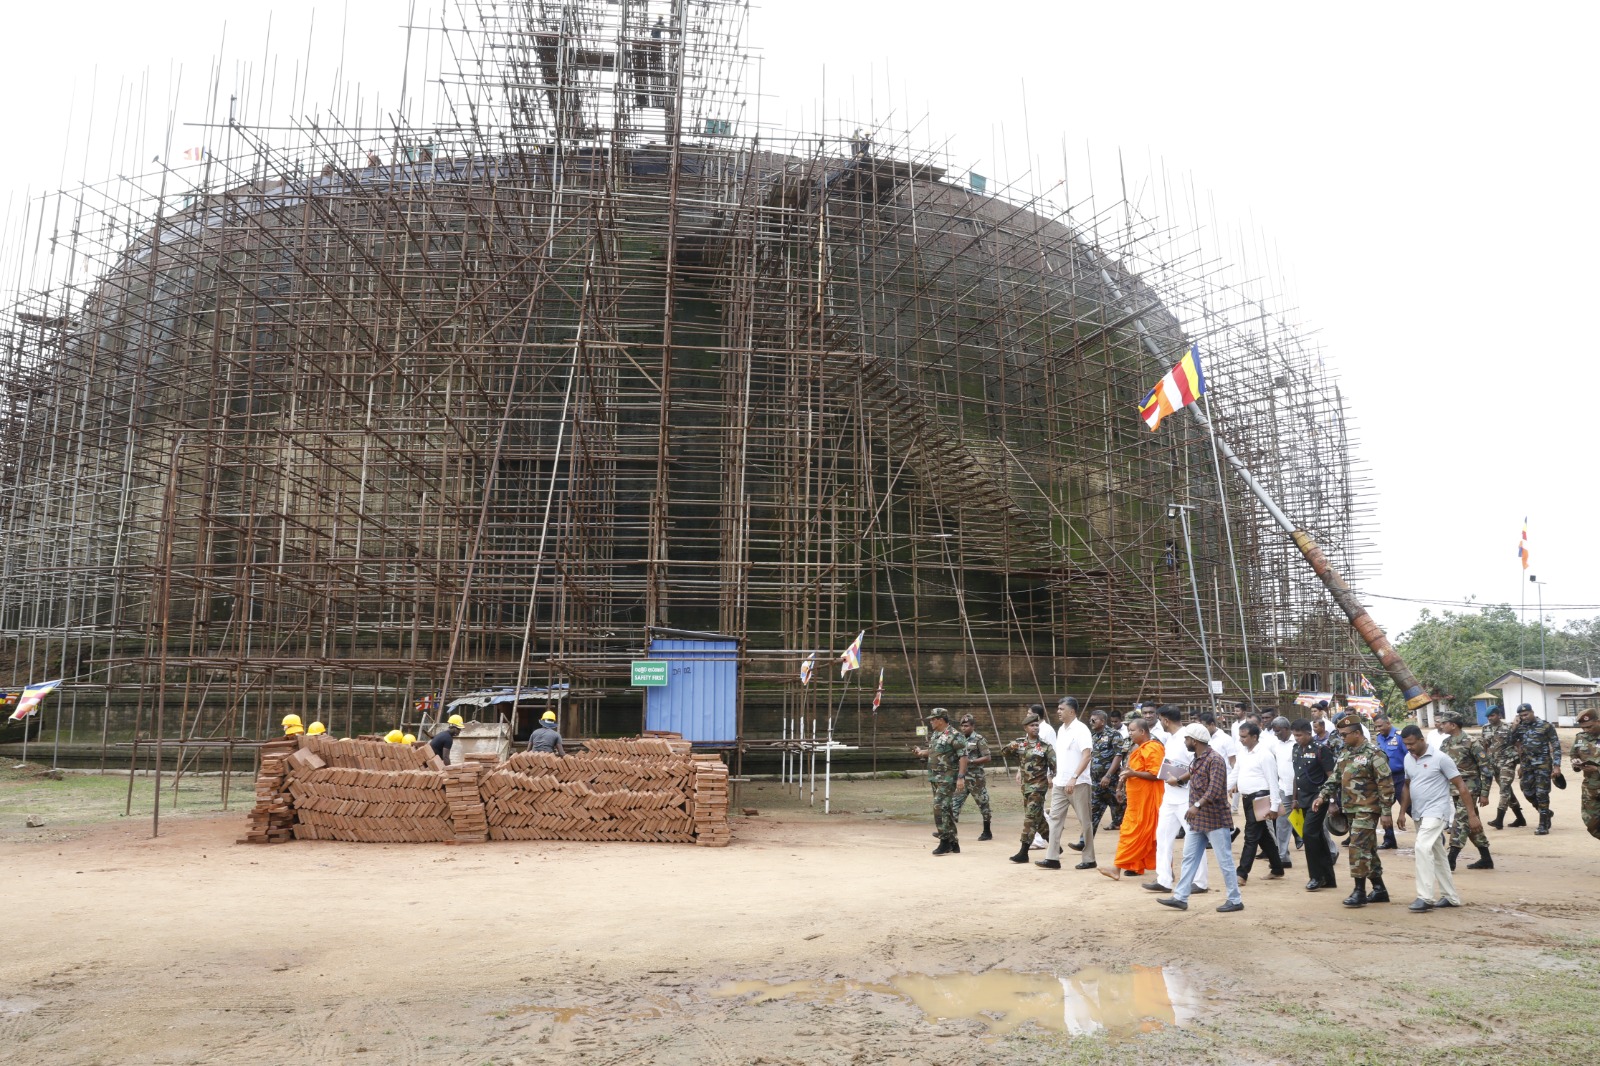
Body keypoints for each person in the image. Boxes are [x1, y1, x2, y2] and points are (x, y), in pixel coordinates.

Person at [1156, 725, 1244, 913]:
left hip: (1215, 819)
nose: (1185, 742)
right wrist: (1179, 780)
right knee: (1189, 858)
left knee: (1225, 860)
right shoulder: (1197, 759)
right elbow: (1193, 772)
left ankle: (1235, 899)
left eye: (1187, 739)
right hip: (1198, 820)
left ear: (1194, 741)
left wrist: (1196, 806)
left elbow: (1215, 789)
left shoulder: (1215, 760)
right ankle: (1180, 897)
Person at [1397, 724, 1483, 911]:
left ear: (1421, 740)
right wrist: (1402, 811)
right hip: (1419, 812)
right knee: (1437, 854)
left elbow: (1461, 786)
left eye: (1411, 743)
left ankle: (1425, 897)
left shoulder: (1441, 758)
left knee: (1421, 847)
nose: (1409, 747)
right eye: (1406, 744)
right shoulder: (1407, 759)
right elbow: (1406, 785)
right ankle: (1450, 896)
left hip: (1437, 812)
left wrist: (1472, 814)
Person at [1314, 716, 1395, 907]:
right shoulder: (1345, 753)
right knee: (1368, 848)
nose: (1341, 738)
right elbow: (1335, 777)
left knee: (1357, 847)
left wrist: (1386, 812)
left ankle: (1359, 891)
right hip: (1351, 809)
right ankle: (1379, 889)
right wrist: (1323, 795)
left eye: (1344, 734)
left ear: (1357, 733)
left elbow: (1386, 784)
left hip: (1368, 808)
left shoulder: (1374, 754)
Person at [1143, 705, 1209, 895]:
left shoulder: (1187, 738)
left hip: (1186, 798)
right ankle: (1164, 879)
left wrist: (1180, 779)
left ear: (1165, 720)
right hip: (1169, 797)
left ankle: (1200, 881)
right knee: (1163, 837)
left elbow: (1198, 764)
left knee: (1194, 838)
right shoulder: (1170, 738)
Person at [1036, 696, 1096, 871]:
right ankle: (1052, 857)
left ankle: (1089, 858)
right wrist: (1052, 776)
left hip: (1079, 783)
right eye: (1058, 708)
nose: (1058, 712)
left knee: (1085, 821)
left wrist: (1075, 777)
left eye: (1062, 709)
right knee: (1054, 819)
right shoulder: (1061, 730)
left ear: (1072, 711)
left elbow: (1087, 755)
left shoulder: (1081, 730)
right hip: (1060, 783)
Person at [1103, 716, 1163, 881]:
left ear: (1142, 731)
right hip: (1136, 801)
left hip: (1148, 801)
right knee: (1131, 833)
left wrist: (1133, 773)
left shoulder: (1153, 748)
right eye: (1128, 730)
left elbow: (1156, 774)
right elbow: (1128, 770)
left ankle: (1117, 868)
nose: (1129, 734)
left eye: (1132, 730)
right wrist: (1120, 786)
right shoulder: (1137, 748)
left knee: (1143, 835)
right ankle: (1135, 866)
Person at [1437, 711, 1493, 870]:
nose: (1441, 725)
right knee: (1471, 821)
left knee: (1461, 820)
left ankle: (1451, 859)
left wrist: (1484, 793)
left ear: (1453, 725)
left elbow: (1486, 769)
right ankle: (1486, 858)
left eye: (1444, 723)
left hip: (1469, 787)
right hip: (1452, 788)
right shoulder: (1445, 743)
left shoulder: (1472, 743)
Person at [1000, 709, 1056, 863]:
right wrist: (1011, 746)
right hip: (1026, 787)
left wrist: (1052, 778)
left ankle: (1023, 852)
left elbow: (1055, 765)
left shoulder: (1045, 746)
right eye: (1032, 725)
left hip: (1038, 788)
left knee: (1030, 818)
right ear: (1025, 728)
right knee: (1038, 818)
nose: (1035, 728)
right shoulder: (1020, 743)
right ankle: (1055, 844)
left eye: (1037, 725)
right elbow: (1004, 753)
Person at [1289, 718, 1339, 891]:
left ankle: (1315, 877)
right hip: (1302, 799)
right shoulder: (1295, 749)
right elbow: (1296, 776)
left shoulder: (1321, 750)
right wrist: (1294, 799)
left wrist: (1332, 801)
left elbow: (1331, 776)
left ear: (1309, 734)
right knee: (1316, 836)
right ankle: (1328, 878)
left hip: (1319, 798)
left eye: (1299, 735)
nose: (1296, 738)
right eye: (1294, 735)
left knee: (1309, 834)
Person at [1233, 722, 1286, 883]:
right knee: (1263, 836)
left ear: (1254, 737)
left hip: (1260, 799)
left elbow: (1273, 782)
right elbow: (1236, 772)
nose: (1241, 740)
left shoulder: (1265, 755)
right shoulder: (1242, 752)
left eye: (1244, 737)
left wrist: (1275, 805)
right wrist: (1222, 789)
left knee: (1251, 836)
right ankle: (1277, 868)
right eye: (1240, 737)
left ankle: (1242, 873)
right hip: (1247, 798)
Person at [914, 709, 969, 855]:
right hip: (935, 777)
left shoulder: (955, 735)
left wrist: (961, 777)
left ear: (941, 720)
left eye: (933, 719)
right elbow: (935, 752)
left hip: (948, 777)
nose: (930, 721)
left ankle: (944, 841)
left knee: (939, 808)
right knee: (946, 809)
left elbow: (963, 757)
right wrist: (922, 752)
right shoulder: (936, 735)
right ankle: (953, 842)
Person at [1509, 703, 1565, 835]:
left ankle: (1543, 825)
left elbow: (1556, 746)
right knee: (1527, 791)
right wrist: (1514, 726)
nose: (1524, 717)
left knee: (1542, 793)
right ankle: (1545, 812)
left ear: (1532, 712)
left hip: (1543, 764)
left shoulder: (1546, 725)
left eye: (1526, 714)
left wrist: (1556, 766)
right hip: (1527, 765)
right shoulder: (1520, 727)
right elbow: (1509, 742)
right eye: (1521, 716)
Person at [1075, 710, 1122, 851]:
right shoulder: (1091, 736)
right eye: (1090, 720)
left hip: (1112, 783)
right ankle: (1084, 841)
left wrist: (1108, 775)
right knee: (1092, 812)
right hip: (1096, 783)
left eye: (1094, 720)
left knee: (1122, 814)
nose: (1091, 722)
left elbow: (1118, 756)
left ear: (1102, 721)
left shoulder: (1114, 735)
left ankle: (1135, 845)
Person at [1481, 706, 1527, 829]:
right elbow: (1485, 746)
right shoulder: (1485, 728)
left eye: (1492, 715)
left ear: (1499, 715)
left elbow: (1519, 746)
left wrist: (1522, 764)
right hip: (1494, 764)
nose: (1490, 718)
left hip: (1508, 762)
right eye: (1488, 716)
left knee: (1504, 789)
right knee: (1508, 792)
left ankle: (1499, 819)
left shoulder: (1509, 728)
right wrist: (1484, 762)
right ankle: (1520, 818)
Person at [953, 714, 994, 841]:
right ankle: (948, 831)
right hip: (962, 778)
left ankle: (987, 831)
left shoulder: (978, 739)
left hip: (976, 778)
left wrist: (971, 761)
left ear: (972, 726)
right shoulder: (959, 739)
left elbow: (987, 757)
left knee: (983, 804)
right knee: (954, 804)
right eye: (962, 726)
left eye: (966, 726)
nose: (964, 728)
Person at [1370, 714, 1407, 849]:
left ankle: (1433, 837)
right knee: (1384, 808)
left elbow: (1409, 756)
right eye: (1376, 727)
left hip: (1401, 777)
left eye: (1380, 726)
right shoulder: (1379, 738)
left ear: (1388, 723)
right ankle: (1389, 839)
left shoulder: (1400, 736)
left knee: (1409, 807)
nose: (1378, 729)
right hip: (1385, 778)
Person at [1267, 717, 1298, 862]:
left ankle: (1330, 851)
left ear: (1286, 729)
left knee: (1313, 824)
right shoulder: (1274, 744)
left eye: (1278, 731)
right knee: (1282, 823)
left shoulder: (1297, 742)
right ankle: (1283, 856)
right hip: (1284, 789)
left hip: (1301, 790)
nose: (1276, 734)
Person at [1570, 708, 1600, 841]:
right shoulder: (1580, 737)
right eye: (1583, 728)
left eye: (1589, 726)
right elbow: (1574, 754)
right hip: (1590, 788)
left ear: (1598, 721)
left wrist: (1596, 769)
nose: (1586, 730)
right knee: (1592, 825)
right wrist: (1576, 763)